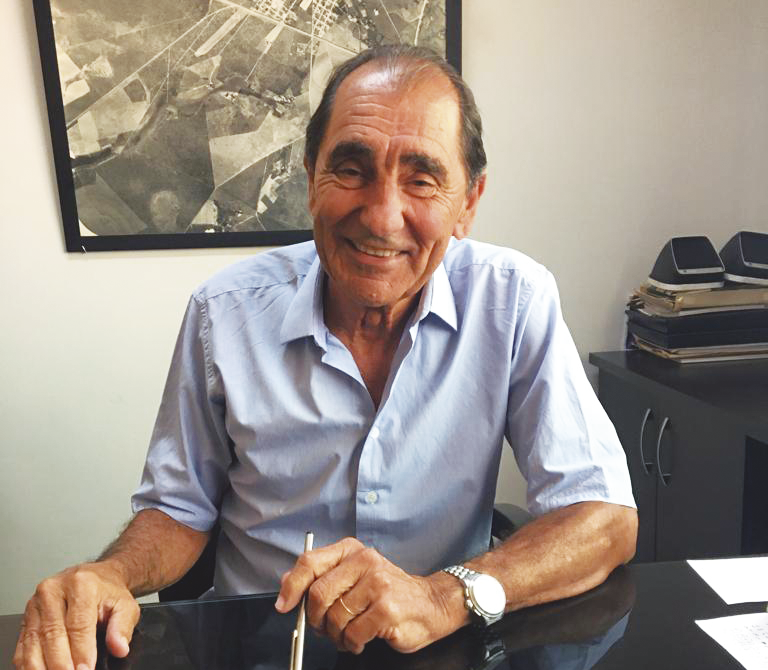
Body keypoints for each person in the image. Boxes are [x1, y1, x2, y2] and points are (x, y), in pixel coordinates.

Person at [13, 45, 637, 670]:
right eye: (352, 169)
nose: (382, 218)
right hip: (260, 649)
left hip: (444, 647)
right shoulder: (222, 313)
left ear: (468, 202)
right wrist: (111, 573)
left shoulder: (514, 301)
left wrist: (443, 596)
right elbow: (178, 509)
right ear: (311, 177)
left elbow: (604, 517)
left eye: (422, 179)